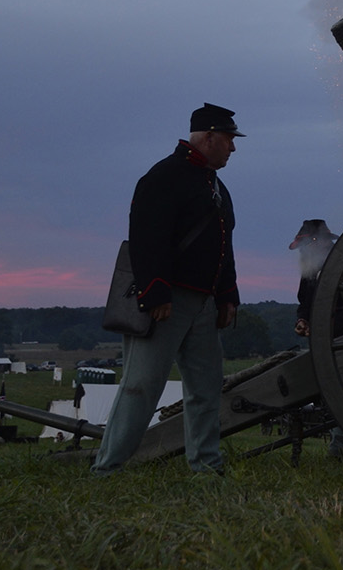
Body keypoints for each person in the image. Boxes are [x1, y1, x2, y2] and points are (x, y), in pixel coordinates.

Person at [91, 103, 243, 475]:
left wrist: (227, 295)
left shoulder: (215, 187)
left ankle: (207, 467)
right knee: (140, 388)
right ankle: (107, 469)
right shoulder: (164, 177)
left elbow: (224, 247)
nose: (233, 148)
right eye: (228, 139)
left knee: (205, 390)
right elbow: (146, 240)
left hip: (203, 304)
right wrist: (155, 293)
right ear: (208, 136)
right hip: (166, 303)